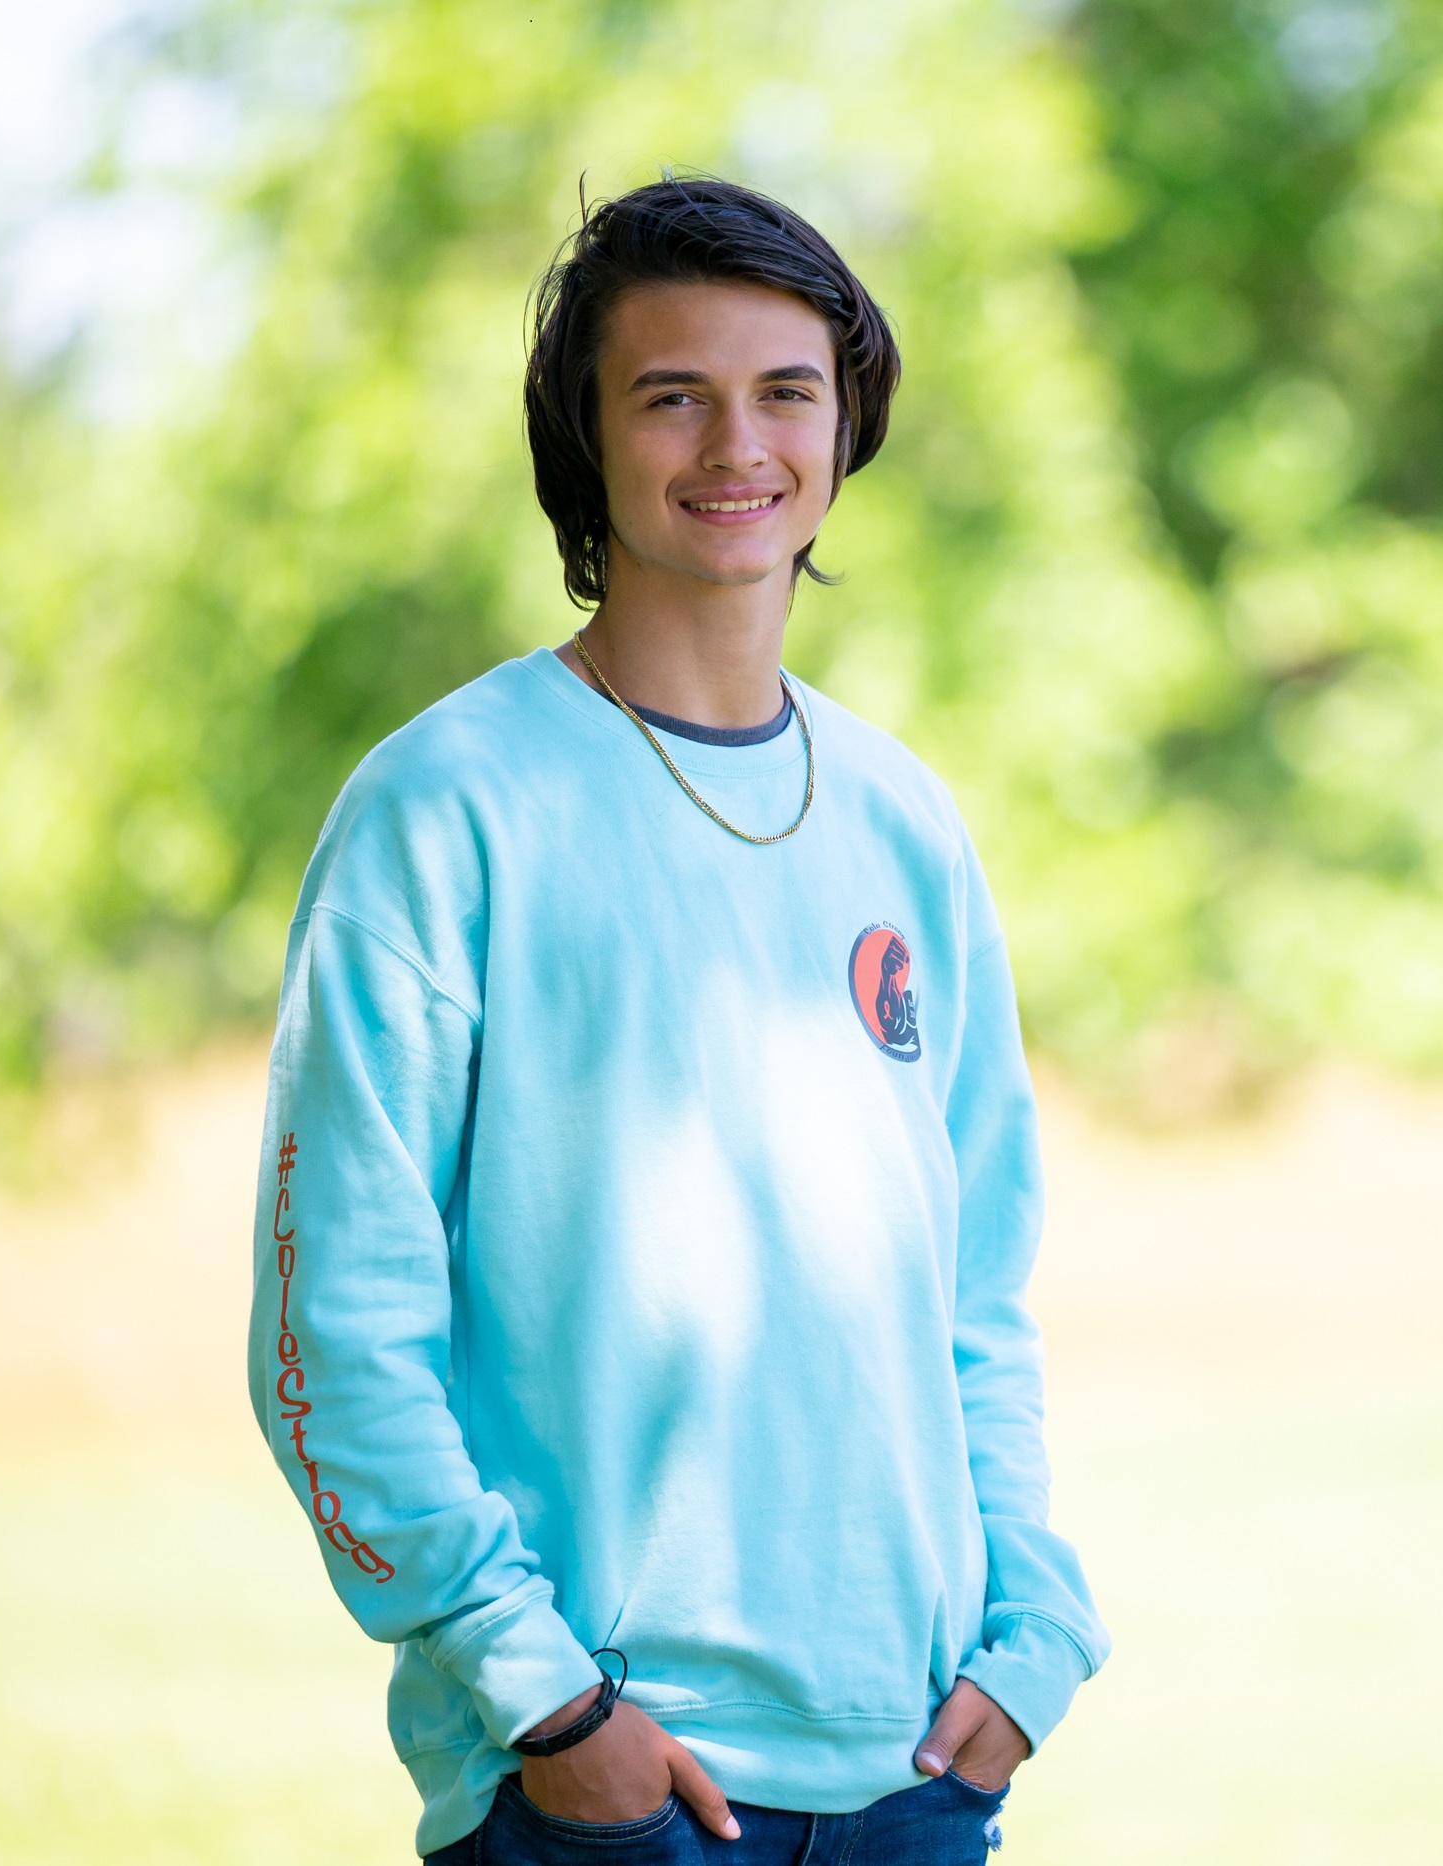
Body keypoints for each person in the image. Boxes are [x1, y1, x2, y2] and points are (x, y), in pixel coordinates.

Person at [247, 176, 1107, 1865]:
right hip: (606, 1789)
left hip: (922, 1773)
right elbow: (332, 1321)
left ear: (846, 422)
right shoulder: (446, 807)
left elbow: (976, 1293)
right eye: (672, 395)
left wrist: (1034, 1637)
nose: (738, 443)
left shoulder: (903, 818)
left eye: (787, 388)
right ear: (588, 440)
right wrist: (543, 1697)